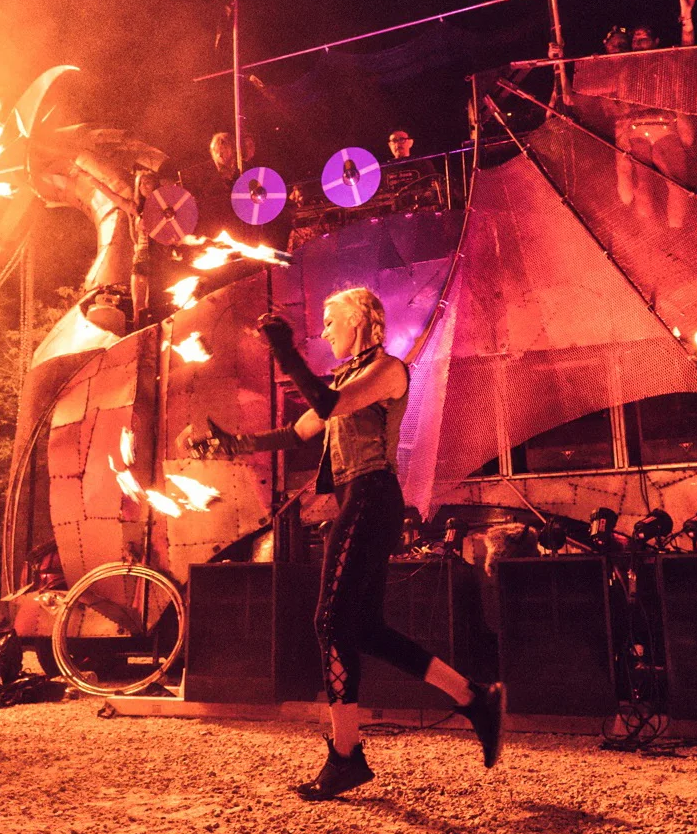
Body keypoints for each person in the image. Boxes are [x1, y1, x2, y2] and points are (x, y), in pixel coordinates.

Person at [192, 288, 503, 800]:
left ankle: (345, 755)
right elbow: (297, 432)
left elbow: (328, 405)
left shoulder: (388, 370)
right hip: (360, 500)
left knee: (330, 621)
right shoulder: (344, 378)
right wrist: (233, 443)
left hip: (372, 496)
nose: (325, 331)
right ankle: (474, 698)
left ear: (358, 320)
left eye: (331, 321)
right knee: (366, 629)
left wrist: (285, 351)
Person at [603, 0, 697, 53]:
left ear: (656, 42)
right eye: (634, 40)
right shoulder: (628, 66)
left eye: (643, 39)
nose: (637, 44)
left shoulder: (664, 63)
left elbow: (686, 53)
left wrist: (686, 15)